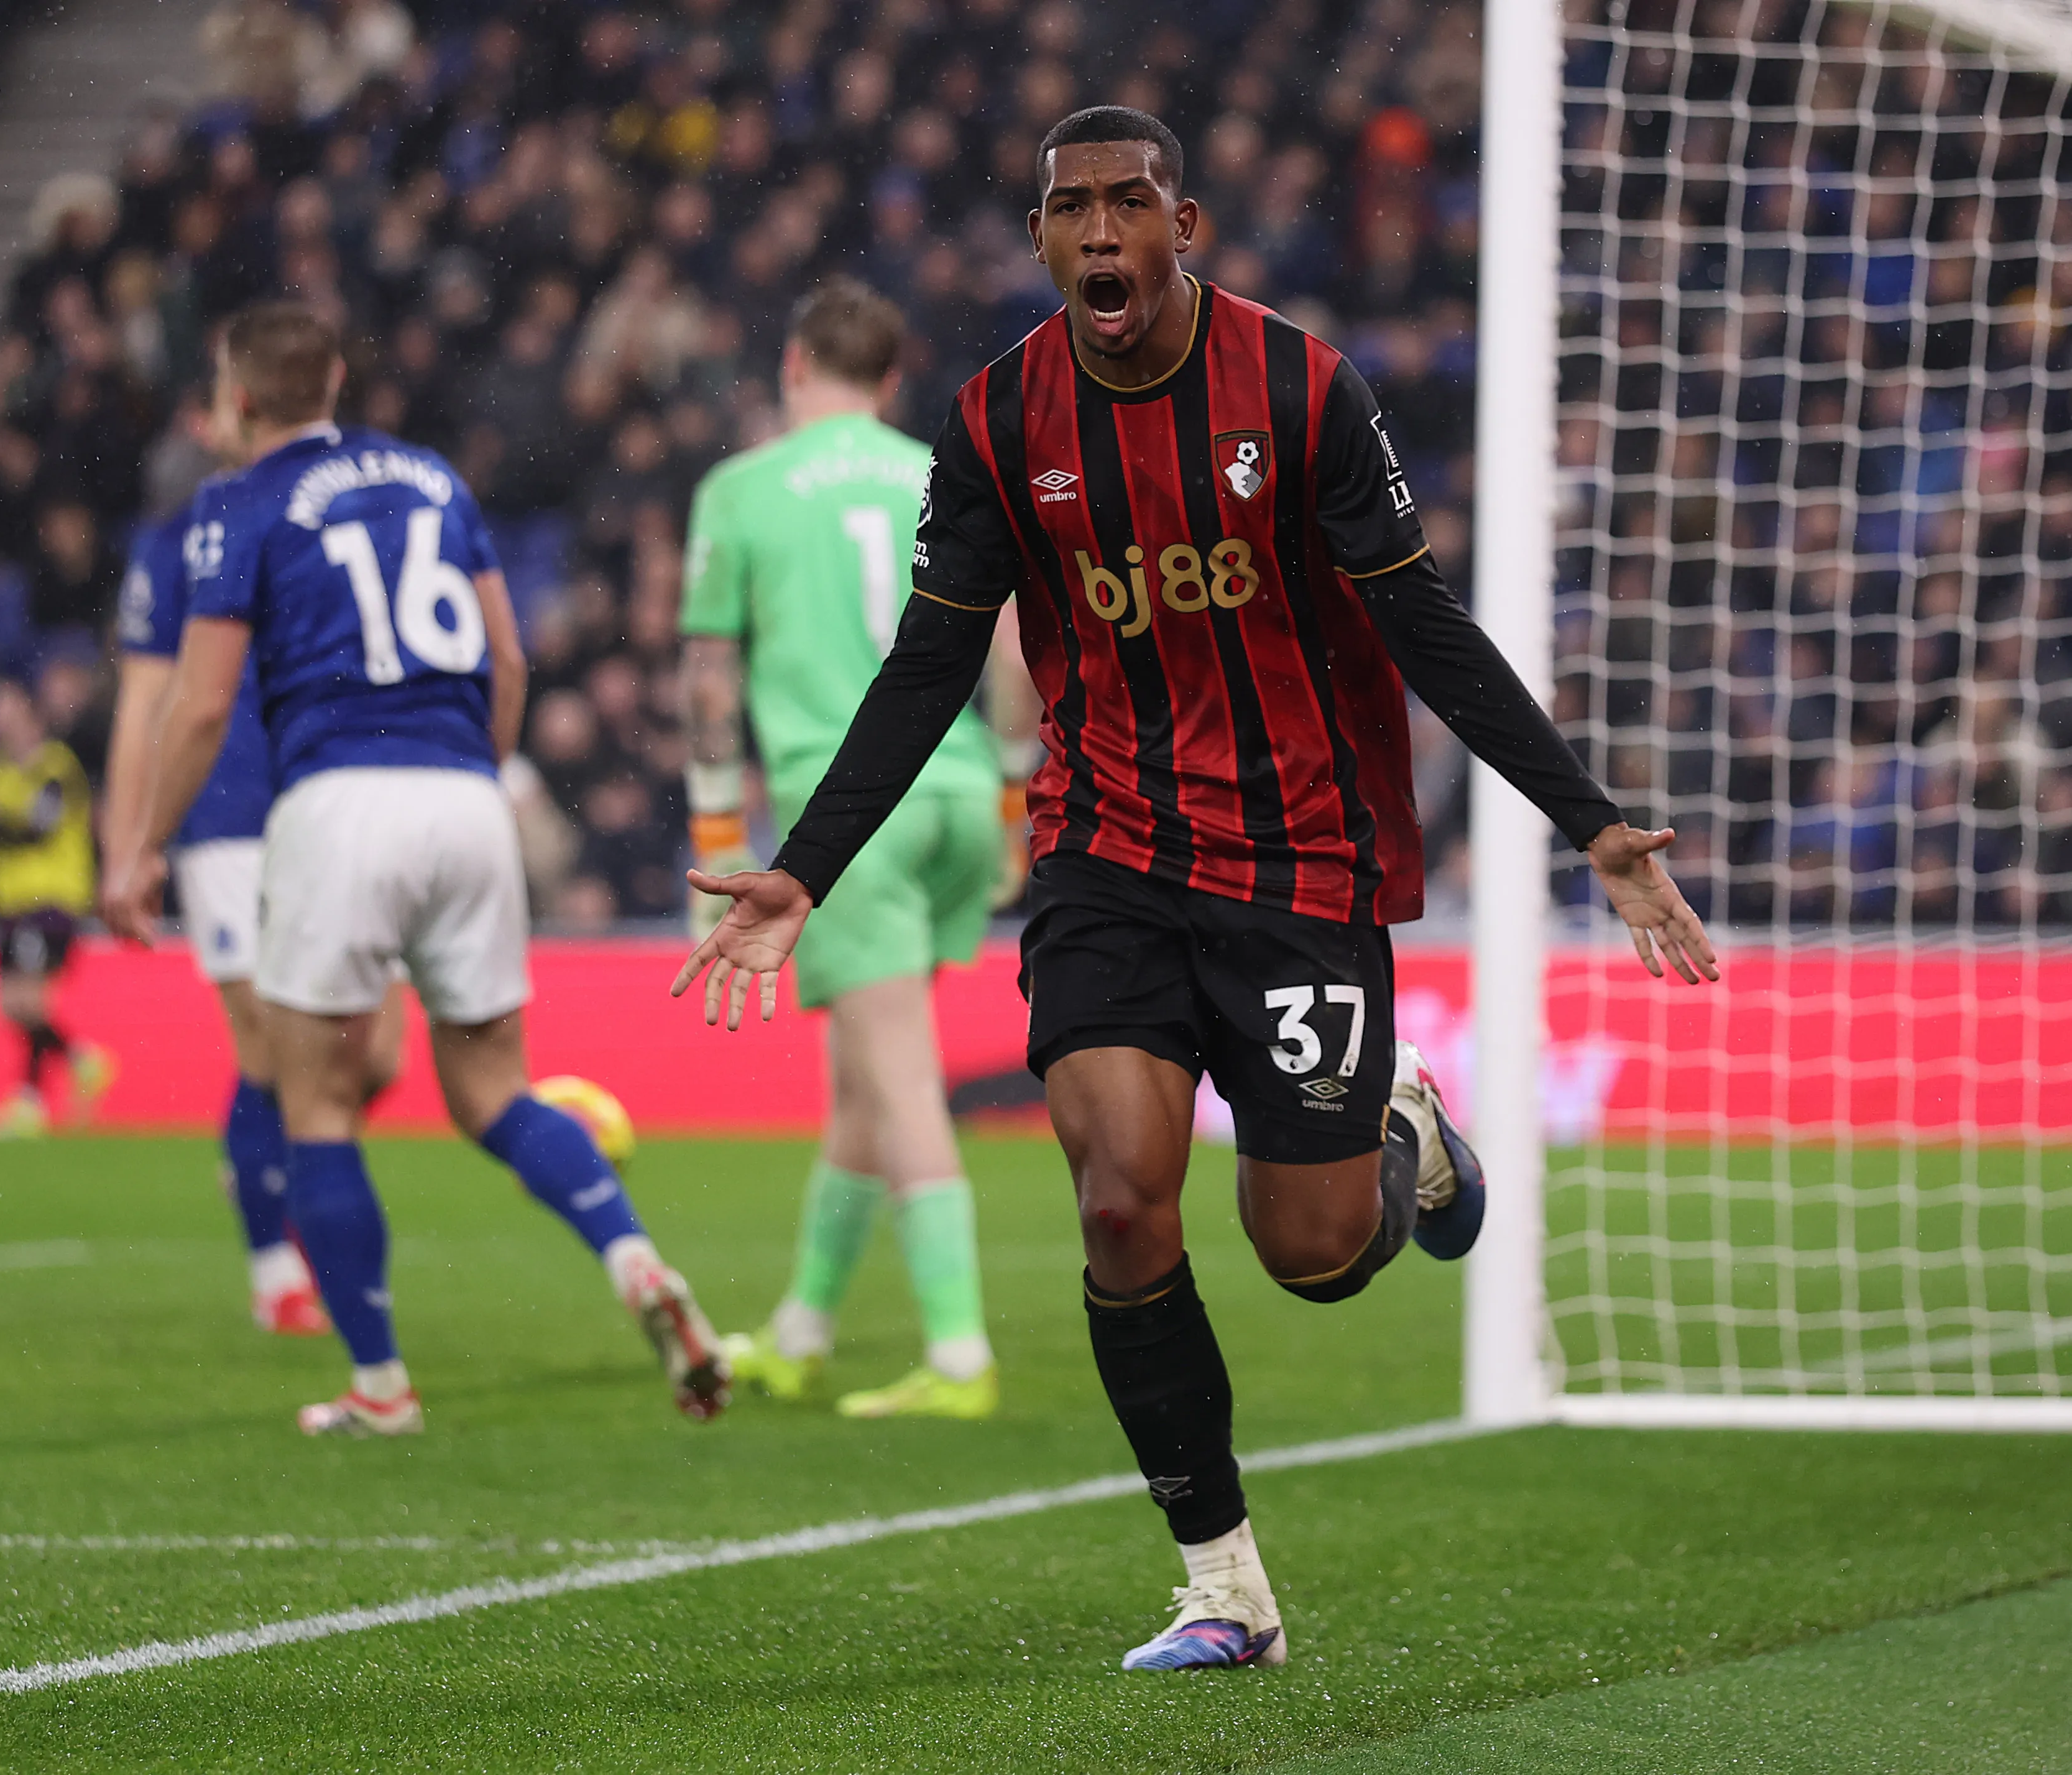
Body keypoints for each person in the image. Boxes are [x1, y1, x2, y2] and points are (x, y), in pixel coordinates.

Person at [674, 108, 1720, 1671]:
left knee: (1305, 1249)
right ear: (1037, 242)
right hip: (1102, 849)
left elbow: (1416, 619)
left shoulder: (1294, 389)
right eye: (1068, 209)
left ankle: (1394, 1120)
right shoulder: (994, 417)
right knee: (1115, 1196)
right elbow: (932, 656)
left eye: (1128, 204)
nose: (1099, 233)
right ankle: (1220, 1578)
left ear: (1185, 226)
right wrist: (802, 867)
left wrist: (1585, 822)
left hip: (1299, 853)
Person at [104, 301, 731, 1436]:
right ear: (335, 376)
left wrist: (145, 842)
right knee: (494, 1090)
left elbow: (198, 703)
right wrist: (474, 774)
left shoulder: (235, 505)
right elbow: (506, 652)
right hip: (464, 795)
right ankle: (632, 1258)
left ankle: (381, 1384)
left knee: (319, 1101)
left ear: (235, 397)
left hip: (337, 802)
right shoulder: (431, 478)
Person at [682, 279, 1039, 1420]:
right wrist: (1016, 797)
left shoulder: (741, 489)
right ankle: (801, 1330)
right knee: (862, 1082)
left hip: (846, 814)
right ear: (890, 383)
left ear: (792, 369)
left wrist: (714, 828)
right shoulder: (939, 471)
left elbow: (706, 678)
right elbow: (1016, 643)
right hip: (957, 790)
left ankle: (957, 1354)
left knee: (897, 1071)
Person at [104, 382, 410, 1337]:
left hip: (335, 800)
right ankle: (277, 1265)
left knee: (376, 1053)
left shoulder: (322, 517)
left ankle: (262, 1162)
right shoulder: (175, 545)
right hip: (229, 814)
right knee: (273, 1049)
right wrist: (127, 844)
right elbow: (145, 707)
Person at [0, 676, 114, 1137]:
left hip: (50, 900)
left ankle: (31, 1101)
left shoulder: (54, 765)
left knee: (24, 998)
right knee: (10, 1003)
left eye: (3, 704)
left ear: (27, 710)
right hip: (11, 903)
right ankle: (80, 1061)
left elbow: (41, 823)